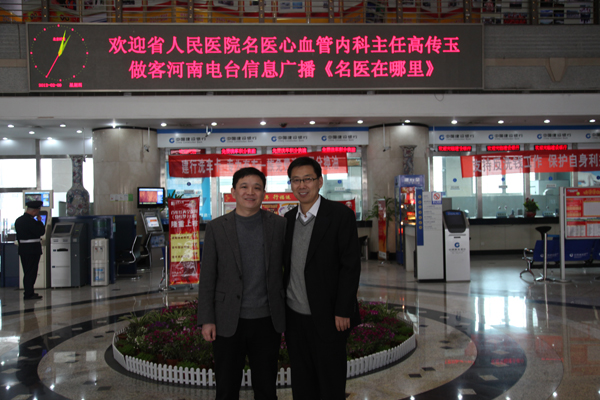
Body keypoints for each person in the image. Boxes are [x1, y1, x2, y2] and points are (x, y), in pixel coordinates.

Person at [197, 167, 286, 400]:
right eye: (244, 187)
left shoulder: (279, 225)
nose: (250, 192)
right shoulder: (217, 227)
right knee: (226, 389)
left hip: (267, 321)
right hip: (227, 321)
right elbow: (208, 277)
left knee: (266, 389)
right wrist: (207, 319)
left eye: (257, 187)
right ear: (233, 192)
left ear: (264, 193)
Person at [283, 157, 361, 400]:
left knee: (330, 383)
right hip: (295, 318)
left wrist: (343, 310)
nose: (302, 185)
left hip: (330, 317)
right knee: (302, 382)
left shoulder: (340, 216)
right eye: (296, 180)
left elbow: (350, 267)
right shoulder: (287, 220)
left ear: (319, 181)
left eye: (307, 179)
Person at [15, 200, 47, 300]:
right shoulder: (32, 222)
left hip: (23, 249)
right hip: (33, 250)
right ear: (35, 211)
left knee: (27, 272)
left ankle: (29, 291)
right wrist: (40, 222)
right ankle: (29, 293)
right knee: (31, 272)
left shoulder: (19, 220)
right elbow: (40, 232)